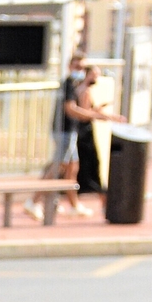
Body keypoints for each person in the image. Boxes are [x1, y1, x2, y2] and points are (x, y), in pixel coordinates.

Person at [48, 56, 122, 219]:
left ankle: (71, 204)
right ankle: (38, 199)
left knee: (71, 169)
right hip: (75, 134)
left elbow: (87, 110)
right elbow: (75, 110)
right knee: (60, 167)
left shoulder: (76, 86)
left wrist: (106, 115)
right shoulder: (73, 86)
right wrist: (102, 116)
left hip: (75, 133)